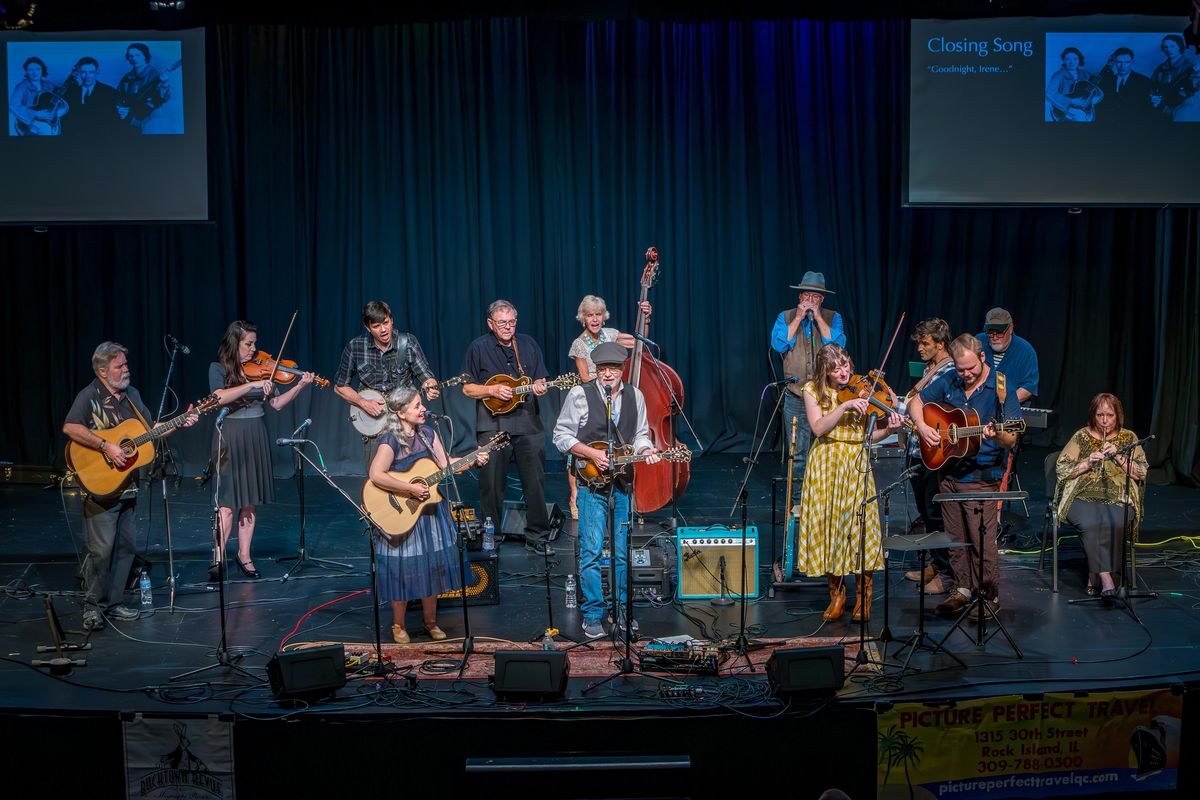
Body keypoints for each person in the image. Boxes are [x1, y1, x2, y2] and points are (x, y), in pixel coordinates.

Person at [62, 342, 198, 630]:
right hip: (100, 487)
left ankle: (114, 602)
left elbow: (151, 432)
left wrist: (181, 422)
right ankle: (93, 606)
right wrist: (105, 446)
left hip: (129, 485)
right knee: (100, 550)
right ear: (102, 370)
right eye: (119, 365)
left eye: (126, 364)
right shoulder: (89, 396)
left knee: (126, 547)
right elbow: (71, 427)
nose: (126, 369)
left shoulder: (132, 396)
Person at [552, 341, 660, 638]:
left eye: (613, 369)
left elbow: (639, 435)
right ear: (597, 370)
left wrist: (647, 448)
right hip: (590, 485)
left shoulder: (635, 396)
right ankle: (593, 614)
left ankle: (622, 611)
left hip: (622, 484)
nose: (608, 374)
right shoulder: (579, 395)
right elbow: (560, 436)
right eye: (603, 369)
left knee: (623, 552)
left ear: (622, 370)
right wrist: (589, 453)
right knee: (591, 550)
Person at [909, 335, 1021, 619]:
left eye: (970, 368)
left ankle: (988, 594)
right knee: (956, 538)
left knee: (982, 541)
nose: (965, 375)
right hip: (947, 472)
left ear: (982, 359)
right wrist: (923, 426)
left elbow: (1011, 438)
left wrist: (999, 433)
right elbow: (917, 401)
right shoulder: (950, 381)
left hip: (981, 476)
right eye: (960, 369)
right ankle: (962, 589)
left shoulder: (1000, 388)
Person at [368, 386, 489, 643]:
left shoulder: (427, 433)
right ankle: (398, 625)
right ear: (401, 413)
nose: (423, 409)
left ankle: (430, 621)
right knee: (403, 569)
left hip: (431, 512)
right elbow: (376, 474)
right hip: (403, 513)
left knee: (431, 567)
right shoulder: (390, 439)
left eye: (421, 404)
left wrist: (474, 459)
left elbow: (446, 465)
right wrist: (410, 487)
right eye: (416, 406)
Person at [793, 344, 903, 622]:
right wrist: (843, 406)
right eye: (836, 369)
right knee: (831, 527)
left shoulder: (861, 388)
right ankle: (837, 595)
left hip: (854, 460)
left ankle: (863, 596)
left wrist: (889, 429)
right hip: (825, 462)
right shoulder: (812, 391)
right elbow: (818, 428)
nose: (843, 373)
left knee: (858, 527)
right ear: (824, 371)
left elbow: (870, 437)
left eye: (845, 366)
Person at [209, 320, 314, 580]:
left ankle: (244, 555)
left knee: (249, 503)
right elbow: (218, 397)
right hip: (230, 435)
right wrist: (250, 386)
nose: (254, 349)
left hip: (255, 434)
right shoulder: (218, 367)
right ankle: (218, 556)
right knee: (226, 504)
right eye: (248, 344)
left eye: (254, 343)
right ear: (234, 343)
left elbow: (276, 403)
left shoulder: (261, 370)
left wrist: (299, 386)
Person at [462, 300, 554, 554]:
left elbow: (539, 379)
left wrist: (540, 386)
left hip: (527, 422)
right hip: (492, 423)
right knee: (490, 485)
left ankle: (539, 537)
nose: (508, 327)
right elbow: (468, 388)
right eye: (502, 323)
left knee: (534, 483)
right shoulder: (478, 348)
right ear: (490, 323)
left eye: (512, 322)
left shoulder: (528, 344)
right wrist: (491, 389)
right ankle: (493, 538)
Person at [565, 294, 652, 519]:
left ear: (603, 317)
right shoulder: (579, 344)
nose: (594, 319)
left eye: (598, 315)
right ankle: (575, 495)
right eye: (589, 315)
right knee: (578, 445)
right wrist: (608, 375)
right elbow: (585, 377)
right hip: (592, 397)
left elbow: (639, 342)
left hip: (616, 394)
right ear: (582, 318)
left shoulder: (611, 334)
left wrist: (646, 319)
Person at [1054, 393, 1147, 597]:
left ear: (1118, 416)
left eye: (1110, 415)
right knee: (1090, 523)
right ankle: (1106, 578)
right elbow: (1061, 468)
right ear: (1092, 415)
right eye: (1100, 415)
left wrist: (1119, 457)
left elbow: (1141, 472)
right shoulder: (1081, 436)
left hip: (1118, 495)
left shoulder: (1129, 438)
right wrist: (1087, 463)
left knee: (1116, 522)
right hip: (1082, 494)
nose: (1105, 421)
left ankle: (1094, 576)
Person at [334, 300, 441, 467]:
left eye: (386, 323)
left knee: (415, 470)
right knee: (377, 477)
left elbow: (426, 376)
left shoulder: (408, 342)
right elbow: (340, 386)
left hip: (405, 420)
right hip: (374, 424)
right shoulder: (355, 347)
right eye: (376, 326)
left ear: (391, 320)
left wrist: (430, 386)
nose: (383, 329)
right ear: (368, 327)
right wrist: (363, 402)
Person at [769, 271, 847, 482]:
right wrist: (797, 319)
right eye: (806, 296)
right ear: (799, 297)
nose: (810, 301)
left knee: (827, 449)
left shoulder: (833, 317)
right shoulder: (786, 316)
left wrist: (819, 318)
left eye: (815, 297)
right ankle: (797, 504)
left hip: (825, 395)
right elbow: (779, 345)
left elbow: (837, 345)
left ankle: (824, 496)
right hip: (796, 396)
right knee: (798, 454)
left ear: (821, 299)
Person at [899, 318, 956, 595]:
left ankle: (947, 573)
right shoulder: (929, 369)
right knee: (924, 511)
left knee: (935, 513)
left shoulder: (949, 371)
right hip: (915, 447)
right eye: (919, 343)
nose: (920, 348)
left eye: (925, 343)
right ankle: (935, 563)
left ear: (941, 344)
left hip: (932, 450)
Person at [976, 308, 1038, 404]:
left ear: (1011, 328)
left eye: (1000, 332)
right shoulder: (978, 342)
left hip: (1011, 408)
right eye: (990, 332)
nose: (995, 337)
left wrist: (1005, 404)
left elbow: (1028, 387)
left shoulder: (1026, 351)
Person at [59, 57, 121, 137]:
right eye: (83, 72)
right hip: (76, 141)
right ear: (78, 72)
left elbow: (114, 122)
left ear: (97, 71)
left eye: (91, 72)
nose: (87, 76)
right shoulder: (70, 93)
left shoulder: (110, 93)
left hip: (101, 141)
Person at [116, 43, 170, 132]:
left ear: (145, 55)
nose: (134, 58)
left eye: (137, 55)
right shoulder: (127, 77)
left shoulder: (157, 75)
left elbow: (161, 98)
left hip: (152, 120)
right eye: (130, 56)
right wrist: (122, 110)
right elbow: (118, 96)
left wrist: (164, 85)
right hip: (132, 121)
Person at [1094, 48, 1155, 125]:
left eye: (1127, 62)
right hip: (1110, 126)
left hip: (1135, 125)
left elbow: (1148, 108)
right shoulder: (1106, 81)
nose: (1123, 66)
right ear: (1115, 62)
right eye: (1119, 62)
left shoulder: (1144, 81)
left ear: (1132, 63)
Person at [10, 56, 66, 136]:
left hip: (48, 122)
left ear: (42, 69)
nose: (35, 73)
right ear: (26, 71)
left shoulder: (48, 84)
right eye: (31, 70)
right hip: (30, 124)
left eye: (37, 69)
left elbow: (61, 95)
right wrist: (35, 113)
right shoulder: (22, 87)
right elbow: (13, 105)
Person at [1047, 47, 1102, 122]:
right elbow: (1049, 94)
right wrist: (1071, 101)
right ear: (1064, 61)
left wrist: (1090, 101)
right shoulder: (1058, 76)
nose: (1072, 62)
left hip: (1083, 108)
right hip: (1064, 108)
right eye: (1068, 59)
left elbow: (1097, 91)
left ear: (1079, 60)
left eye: (1075, 59)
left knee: (1091, 117)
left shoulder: (1085, 74)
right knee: (1080, 117)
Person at [1150, 35, 1196, 118]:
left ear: (1179, 47)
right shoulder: (1161, 68)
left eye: (1172, 46)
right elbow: (1151, 86)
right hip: (1163, 109)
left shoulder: (1190, 67)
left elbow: (1188, 91)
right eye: (1166, 47)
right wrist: (1153, 98)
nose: (1169, 49)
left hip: (1184, 109)